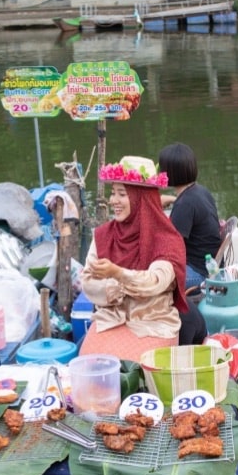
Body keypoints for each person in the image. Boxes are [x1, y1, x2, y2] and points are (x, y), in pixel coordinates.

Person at [79, 156, 188, 362]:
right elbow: (88, 283)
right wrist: (116, 287)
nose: (113, 201)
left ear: (141, 198)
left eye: (122, 194)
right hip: (110, 319)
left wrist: (117, 274)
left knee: (132, 372)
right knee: (87, 366)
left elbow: (156, 282)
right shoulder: (104, 235)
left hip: (153, 323)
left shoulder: (165, 238)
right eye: (113, 193)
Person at [158, 143, 221, 290]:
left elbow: (169, 247)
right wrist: (173, 199)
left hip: (198, 273)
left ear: (170, 173)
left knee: (150, 275)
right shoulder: (200, 191)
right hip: (208, 266)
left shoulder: (184, 204)